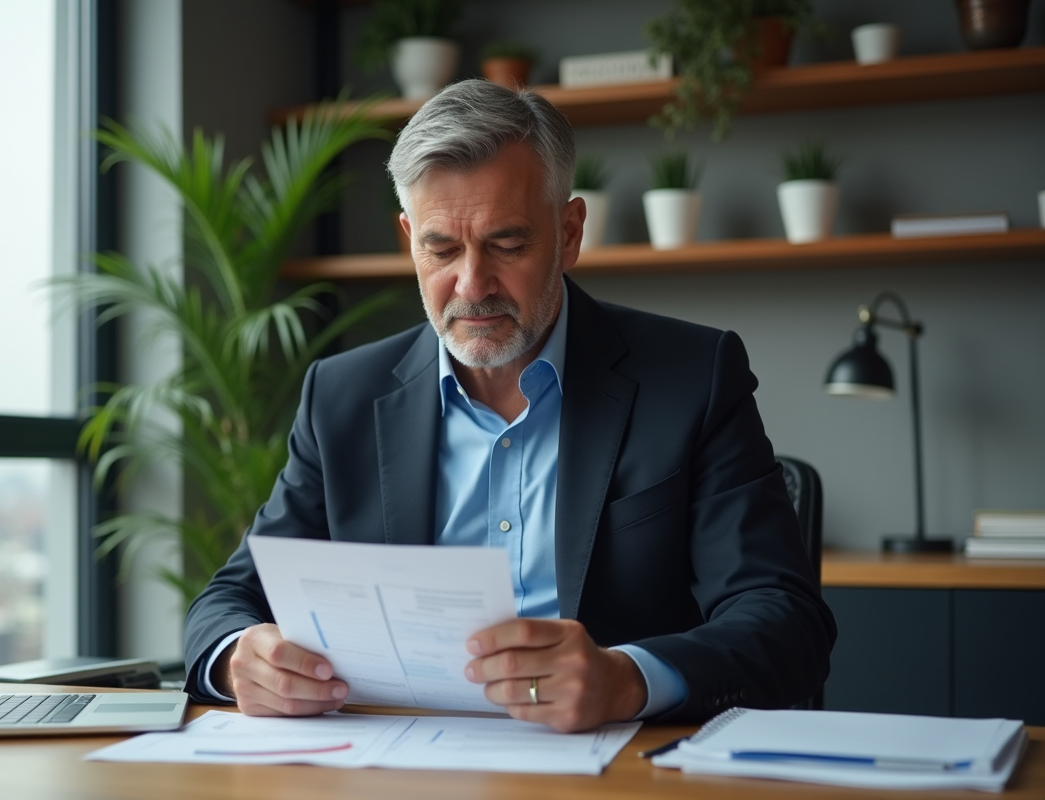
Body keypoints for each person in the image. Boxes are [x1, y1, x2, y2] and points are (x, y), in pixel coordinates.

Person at [183, 79, 836, 732]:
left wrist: (628, 678)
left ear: (570, 232)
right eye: (440, 248)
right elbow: (229, 600)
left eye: (507, 244)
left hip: (620, 770)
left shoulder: (693, 378)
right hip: (393, 769)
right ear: (407, 236)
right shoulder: (343, 396)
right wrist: (237, 658)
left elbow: (786, 622)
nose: (472, 285)